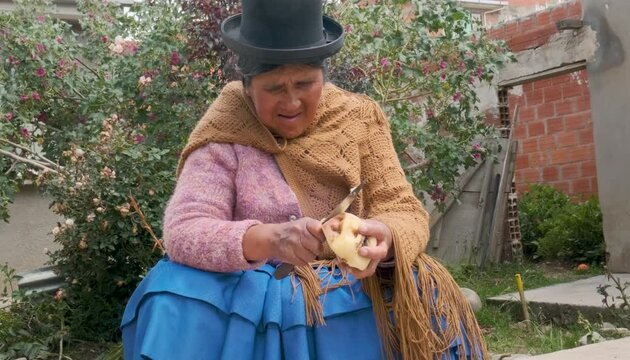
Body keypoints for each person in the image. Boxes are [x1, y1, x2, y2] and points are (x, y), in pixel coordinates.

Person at [120, 0, 487, 359]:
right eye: (275, 88)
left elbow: (402, 209)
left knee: (422, 284)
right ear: (247, 87)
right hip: (256, 295)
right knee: (171, 290)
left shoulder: (359, 118)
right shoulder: (225, 130)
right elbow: (184, 230)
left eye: (305, 83)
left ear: (323, 77)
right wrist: (269, 239)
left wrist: (384, 236)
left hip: (350, 287)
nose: (292, 101)